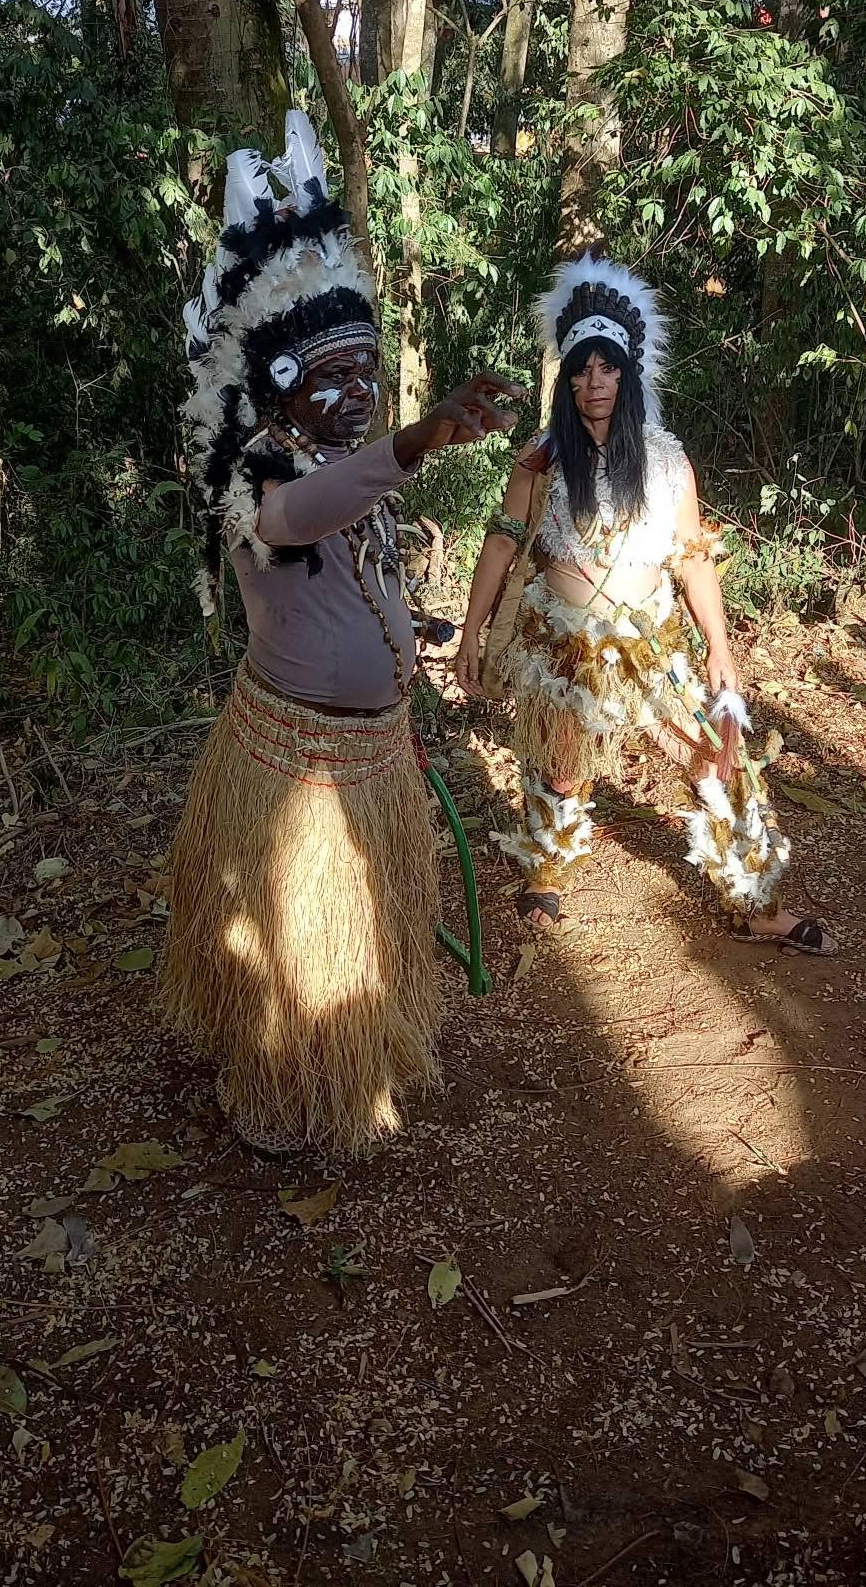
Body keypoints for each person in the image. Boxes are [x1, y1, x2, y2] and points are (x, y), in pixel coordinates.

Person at [158, 111, 522, 1154]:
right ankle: (280, 1091)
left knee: (366, 941)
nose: (359, 392)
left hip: (373, 757)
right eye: (336, 375)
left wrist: (421, 637)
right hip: (294, 770)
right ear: (277, 378)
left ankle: (351, 1066)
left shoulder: (348, 470)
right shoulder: (257, 473)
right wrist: (412, 441)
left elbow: (365, 571)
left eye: (370, 371)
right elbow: (294, 520)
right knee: (297, 951)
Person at [456, 249, 836, 955]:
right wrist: (472, 631)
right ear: (567, 379)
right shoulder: (542, 460)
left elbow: (693, 560)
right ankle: (547, 872)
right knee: (559, 764)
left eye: (607, 368)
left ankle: (755, 900)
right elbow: (503, 544)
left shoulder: (666, 462)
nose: (594, 381)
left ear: (627, 375)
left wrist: (719, 645)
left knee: (716, 755)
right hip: (561, 643)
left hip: (651, 643)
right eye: (581, 369)